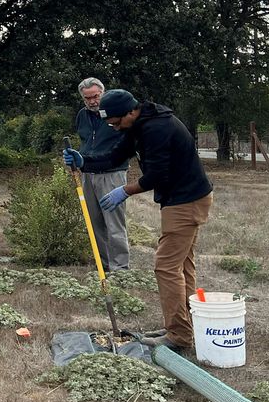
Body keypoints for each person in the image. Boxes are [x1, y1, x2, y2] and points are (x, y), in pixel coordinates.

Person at [63, 89, 213, 351]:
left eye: (117, 122)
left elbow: (157, 175)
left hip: (186, 200)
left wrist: (124, 190)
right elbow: (114, 157)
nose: (115, 127)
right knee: (183, 265)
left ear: (131, 111)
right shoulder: (136, 125)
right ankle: (182, 326)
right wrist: (83, 160)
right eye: (111, 124)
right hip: (178, 199)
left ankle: (178, 337)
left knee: (166, 266)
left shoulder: (157, 128)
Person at [73, 78, 131, 272]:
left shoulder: (115, 112)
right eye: (87, 98)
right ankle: (104, 266)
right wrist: (78, 158)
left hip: (112, 174)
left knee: (114, 223)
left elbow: (124, 144)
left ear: (102, 94)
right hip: (88, 173)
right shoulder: (82, 115)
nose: (92, 101)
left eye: (95, 96)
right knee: (94, 223)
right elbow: (85, 141)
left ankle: (120, 268)